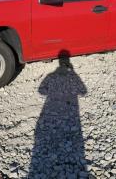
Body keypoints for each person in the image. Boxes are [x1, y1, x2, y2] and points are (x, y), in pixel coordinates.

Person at [28, 50, 89, 178]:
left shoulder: (51, 76)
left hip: (50, 110)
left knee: (48, 135)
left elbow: (41, 91)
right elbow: (83, 91)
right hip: (71, 112)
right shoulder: (73, 76)